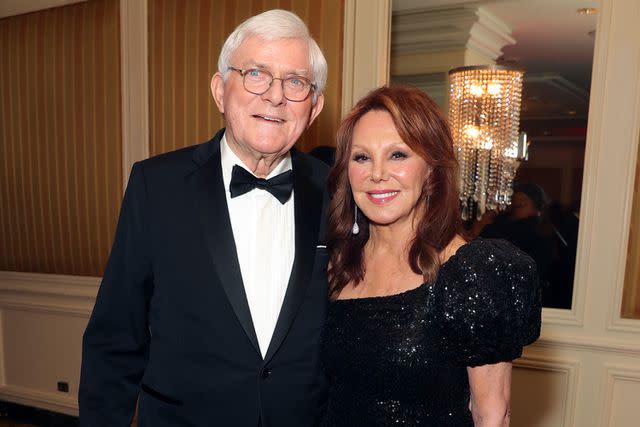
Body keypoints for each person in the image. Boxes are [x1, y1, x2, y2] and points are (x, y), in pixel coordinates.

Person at [80, 10, 330, 427]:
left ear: (315, 105)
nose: (274, 96)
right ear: (219, 90)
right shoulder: (156, 185)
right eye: (256, 73)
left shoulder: (339, 191)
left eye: (296, 82)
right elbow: (115, 339)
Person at [320, 86, 541, 426]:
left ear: (433, 170)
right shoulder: (337, 263)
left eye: (398, 155)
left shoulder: (472, 272)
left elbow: (492, 415)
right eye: (361, 157)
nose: (377, 174)